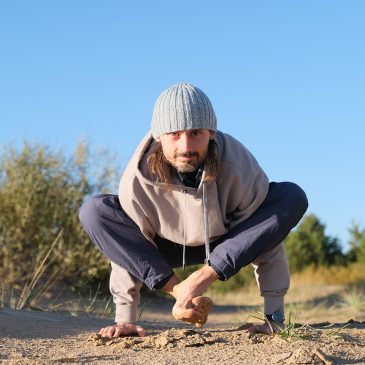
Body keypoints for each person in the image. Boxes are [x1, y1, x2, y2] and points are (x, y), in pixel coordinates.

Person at [79, 82, 308, 337]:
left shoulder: (239, 164)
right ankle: (179, 291)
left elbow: (265, 236)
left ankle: (196, 283)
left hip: (226, 242)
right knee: (95, 210)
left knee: (290, 196)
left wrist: (273, 317)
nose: (186, 146)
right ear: (158, 136)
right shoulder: (136, 179)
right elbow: (127, 250)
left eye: (196, 132)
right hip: (161, 248)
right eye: (175, 134)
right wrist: (125, 318)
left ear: (211, 132)